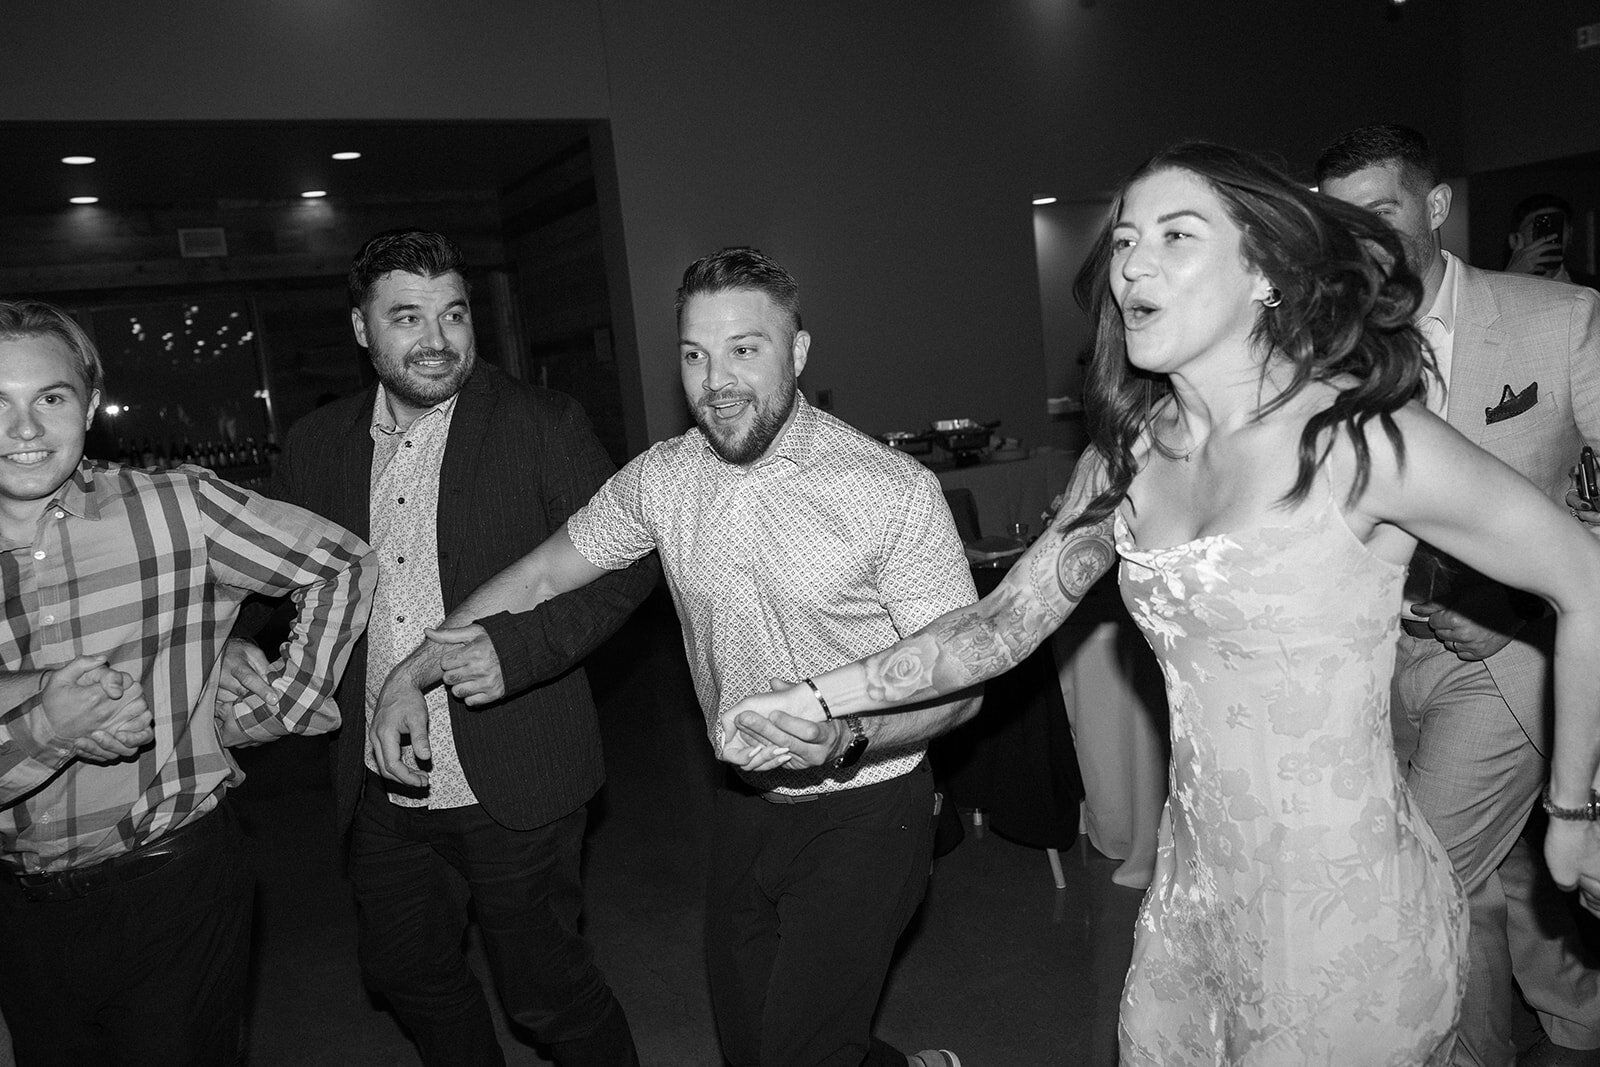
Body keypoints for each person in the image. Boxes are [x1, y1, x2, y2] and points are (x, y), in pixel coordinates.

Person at [722, 142, 1600, 1065]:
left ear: (1265, 270)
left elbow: (1583, 576)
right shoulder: (1129, 456)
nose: (1133, 263)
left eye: (1176, 236)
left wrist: (1576, 810)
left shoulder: (1363, 438)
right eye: (1127, 240)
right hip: (1194, 892)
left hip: (1342, 908)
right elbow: (998, 625)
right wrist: (818, 696)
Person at [372, 246, 976, 1067]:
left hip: (868, 799)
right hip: (745, 798)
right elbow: (546, 571)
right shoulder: (664, 477)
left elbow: (962, 678)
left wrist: (849, 735)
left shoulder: (891, 490)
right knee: (753, 1043)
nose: (715, 380)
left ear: (797, 352)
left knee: (799, 1051)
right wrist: (411, 670)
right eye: (694, 355)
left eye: (744, 349)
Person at [222, 229, 658, 1067]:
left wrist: (518, 648)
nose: (437, 339)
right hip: (381, 783)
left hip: (517, 771)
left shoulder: (542, 422)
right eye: (408, 317)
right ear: (361, 330)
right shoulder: (318, 445)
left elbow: (625, 567)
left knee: (547, 994)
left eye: (453, 314)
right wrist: (236, 639)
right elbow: (270, 574)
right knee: (406, 970)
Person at [0, 299, 376, 1066]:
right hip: (16, 912)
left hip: (172, 885)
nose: (26, 429)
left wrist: (283, 705)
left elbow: (341, 562)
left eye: (50, 397)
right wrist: (46, 727)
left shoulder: (176, 508)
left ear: (90, 402)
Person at [1317, 124, 1600, 1067]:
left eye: (1379, 211)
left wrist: (1509, 604)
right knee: (1488, 876)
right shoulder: (1334, 352)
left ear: (1435, 208)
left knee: (1425, 880)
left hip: (1512, 657)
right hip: (1377, 662)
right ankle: (1573, 1015)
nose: (1355, 236)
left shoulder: (1557, 320)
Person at [1504, 194, 1598, 289]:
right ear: (1514, 240)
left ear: (1570, 234)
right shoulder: (1494, 288)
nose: (1550, 236)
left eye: (1557, 227)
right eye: (1539, 227)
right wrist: (1510, 279)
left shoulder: (1594, 288)